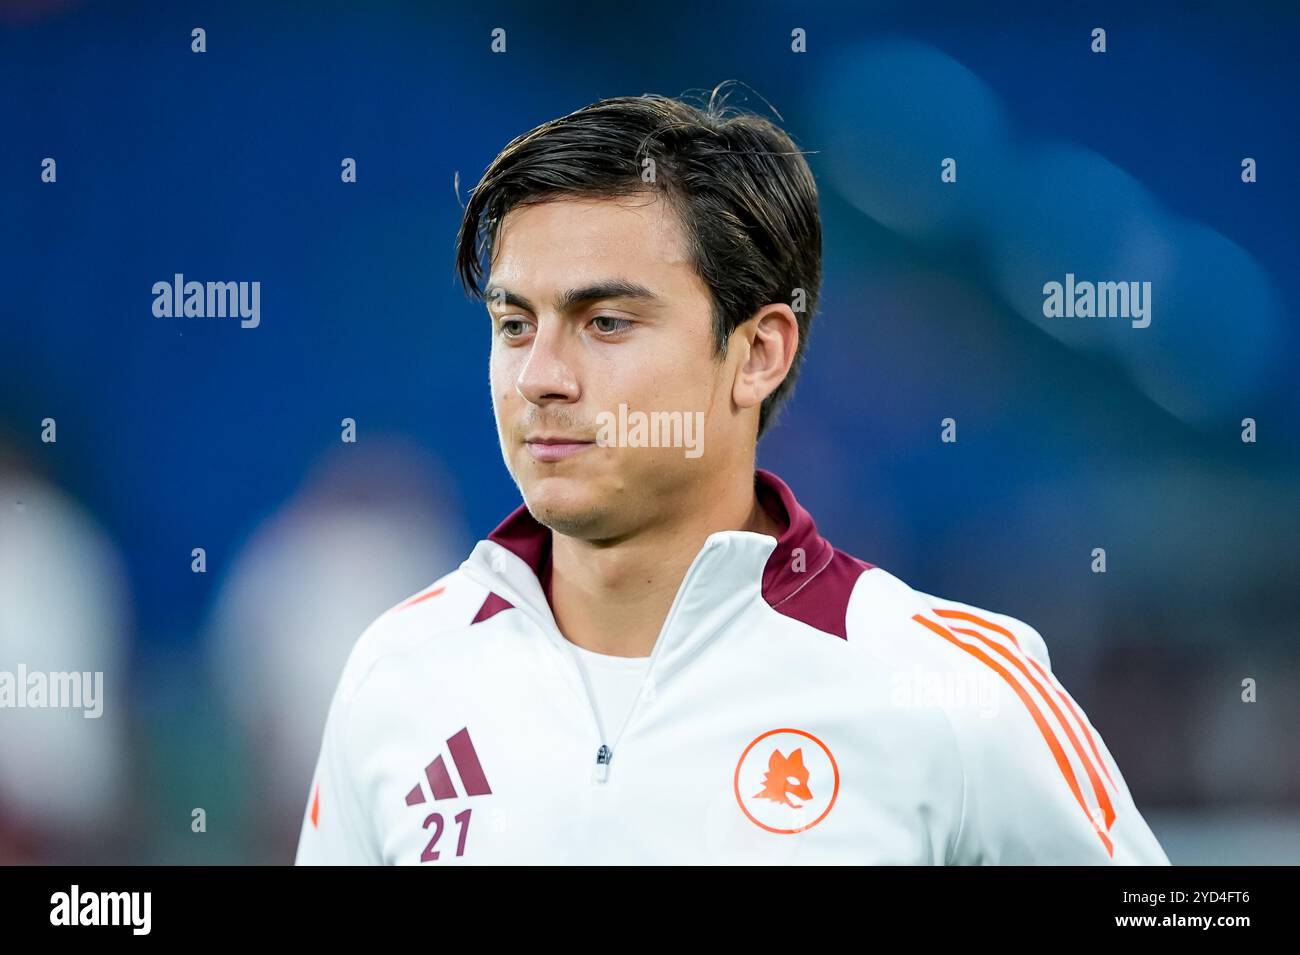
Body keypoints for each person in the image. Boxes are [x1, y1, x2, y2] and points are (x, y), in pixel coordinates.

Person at [295, 88, 1169, 865]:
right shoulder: (399, 671)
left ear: (757, 353)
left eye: (604, 321)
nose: (540, 377)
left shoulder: (948, 685)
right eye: (515, 324)